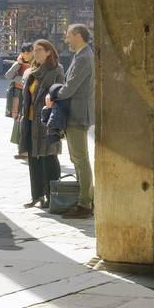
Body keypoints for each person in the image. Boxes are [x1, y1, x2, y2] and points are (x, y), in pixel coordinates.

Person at [46, 24, 95, 219]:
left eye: (68, 36)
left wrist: (53, 96)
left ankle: (85, 204)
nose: (66, 40)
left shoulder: (84, 58)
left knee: (80, 160)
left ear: (78, 36)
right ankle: (85, 200)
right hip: (75, 113)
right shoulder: (81, 55)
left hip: (78, 114)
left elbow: (70, 87)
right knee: (77, 159)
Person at [18, 39, 65, 210]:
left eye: (39, 50)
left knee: (49, 158)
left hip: (47, 120)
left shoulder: (56, 70)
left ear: (48, 52)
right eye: (34, 50)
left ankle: (52, 196)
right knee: (33, 158)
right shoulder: (32, 71)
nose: (35, 53)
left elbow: (60, 94)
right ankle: (36, 195)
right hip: (30, 120)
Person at [5, 44, 34, 160]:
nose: (27, 55)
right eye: (24, 53)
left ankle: (27, 149)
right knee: (17, 119)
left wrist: (18, 79)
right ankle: (21, 150)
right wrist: (18, 64)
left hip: (29, 95)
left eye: (29, 52)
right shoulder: (19, 63)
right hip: (17, 94)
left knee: (27, 120)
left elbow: (30, 81)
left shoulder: (36, 64)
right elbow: (9, 75)